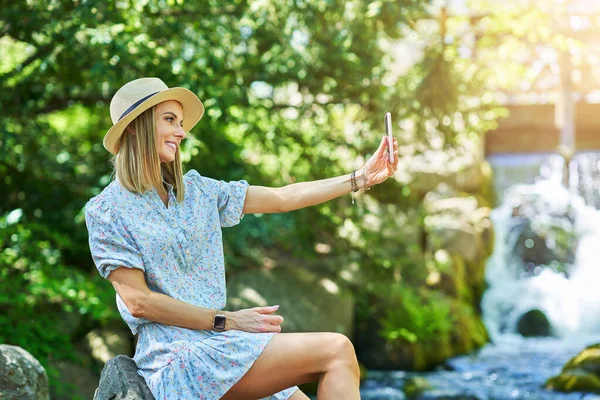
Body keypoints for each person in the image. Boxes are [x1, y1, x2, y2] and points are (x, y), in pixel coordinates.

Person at [85, 77, 399, 400]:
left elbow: (282, 198)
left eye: (180, 122)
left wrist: (358, 178)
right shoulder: (106, 210)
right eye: (170, 120)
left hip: (222, 349)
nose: (182, 132)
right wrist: (228, 320)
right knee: (337, 350)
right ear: (136, 127)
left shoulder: (198, 191)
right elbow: (139, 302)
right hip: (177, 361)